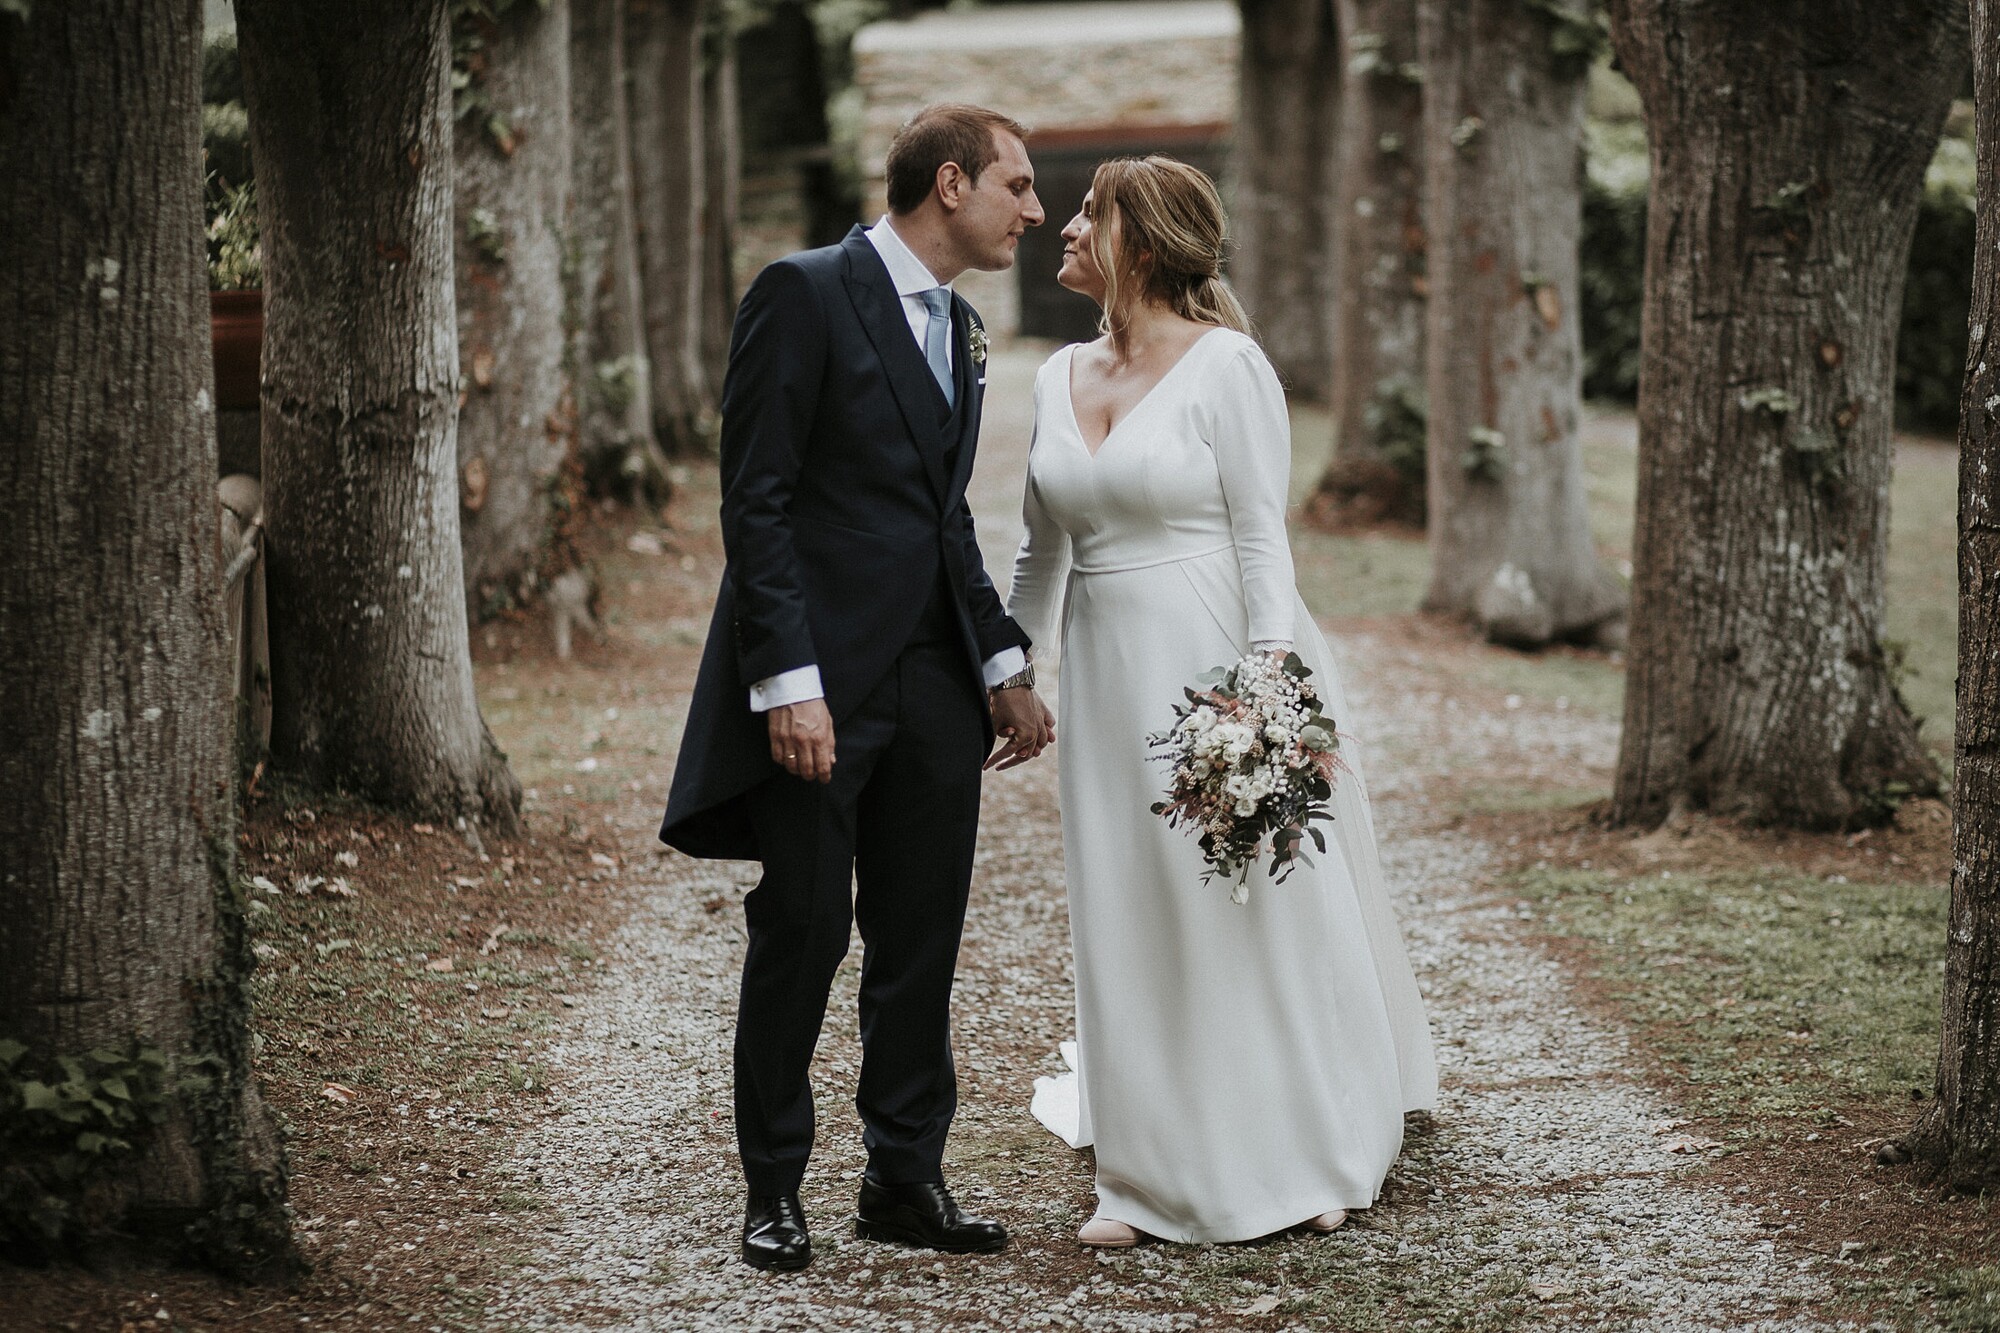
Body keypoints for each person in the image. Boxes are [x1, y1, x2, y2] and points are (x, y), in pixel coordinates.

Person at [1007, 156, 1438, 1247]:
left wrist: (1264, 687)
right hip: (1105, 682)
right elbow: (1038, 555)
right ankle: (1145, 1170)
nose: (1063, 223)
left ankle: (1305, 1146)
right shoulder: (1052, 375)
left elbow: (1260, 539)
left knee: (1252, 905)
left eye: (1089, 212)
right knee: (1129, 903)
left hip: (1215, 667)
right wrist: (1006, 668)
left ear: (1137, 243)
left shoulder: (1226, 366)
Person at [660, 103, 1057, 1273]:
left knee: (919, 934)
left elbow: (941, 521)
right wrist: (785, 682)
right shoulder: (803, 291)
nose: (1035, 212)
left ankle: (902, 1176)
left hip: (933, 685)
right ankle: (772, 1188)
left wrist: (1001, 666)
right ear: (950, 184)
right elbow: (759, 499)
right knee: (801, 929)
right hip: (817, 687)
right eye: (1018, 187)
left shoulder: (965, 328)